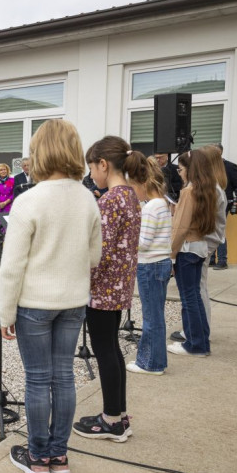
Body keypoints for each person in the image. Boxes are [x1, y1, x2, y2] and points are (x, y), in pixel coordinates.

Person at [0, 119, 101, 473]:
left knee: (38, 379)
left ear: (38, 153)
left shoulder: (28, 200)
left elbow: (12, 266)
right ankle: (59, 456)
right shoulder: (87, 198)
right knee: (64, 377)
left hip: (35, 305)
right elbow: (93, 257)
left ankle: (38, 457)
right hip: (73, 302)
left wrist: (5, 313)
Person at [73, 136, 146, 443]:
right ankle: (118, 413)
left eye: (92, 168)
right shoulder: (130, 196)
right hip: (118, 287)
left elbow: (97, 252)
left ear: (103, 164)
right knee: (112, 349)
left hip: (102, 288)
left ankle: (111, 420)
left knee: (105, 351)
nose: (91, 175)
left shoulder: (110, 201)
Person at [167, 150, 218, 358]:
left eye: (181, 169)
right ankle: (201, 341)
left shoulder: (189, 191)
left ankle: (195, 345)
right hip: (200, 246)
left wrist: (171, 254)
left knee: (189, 298)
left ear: (190, 169)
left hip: (187, 248)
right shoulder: (208, 190)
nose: (179, 173)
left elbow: (180, 227)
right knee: (194, 297)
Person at [126, 158, 172, 376]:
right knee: (156, 316)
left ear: (143, 183)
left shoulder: (150, 207)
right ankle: (155, 360)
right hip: (160, 263)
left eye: (133, 187)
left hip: (150, 266)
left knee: (151, 318)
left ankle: (150, 363)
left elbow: (143, 243)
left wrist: (128, 234)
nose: (133, 193)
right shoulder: (162, 203)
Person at [211, 144, 237, 270]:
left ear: (220, 152)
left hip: (224, 202)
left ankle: (222, 260)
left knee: (219, 230)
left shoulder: (230, 167)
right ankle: (211, 259)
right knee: (210, 229)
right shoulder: (206, 167)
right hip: (209, 203)